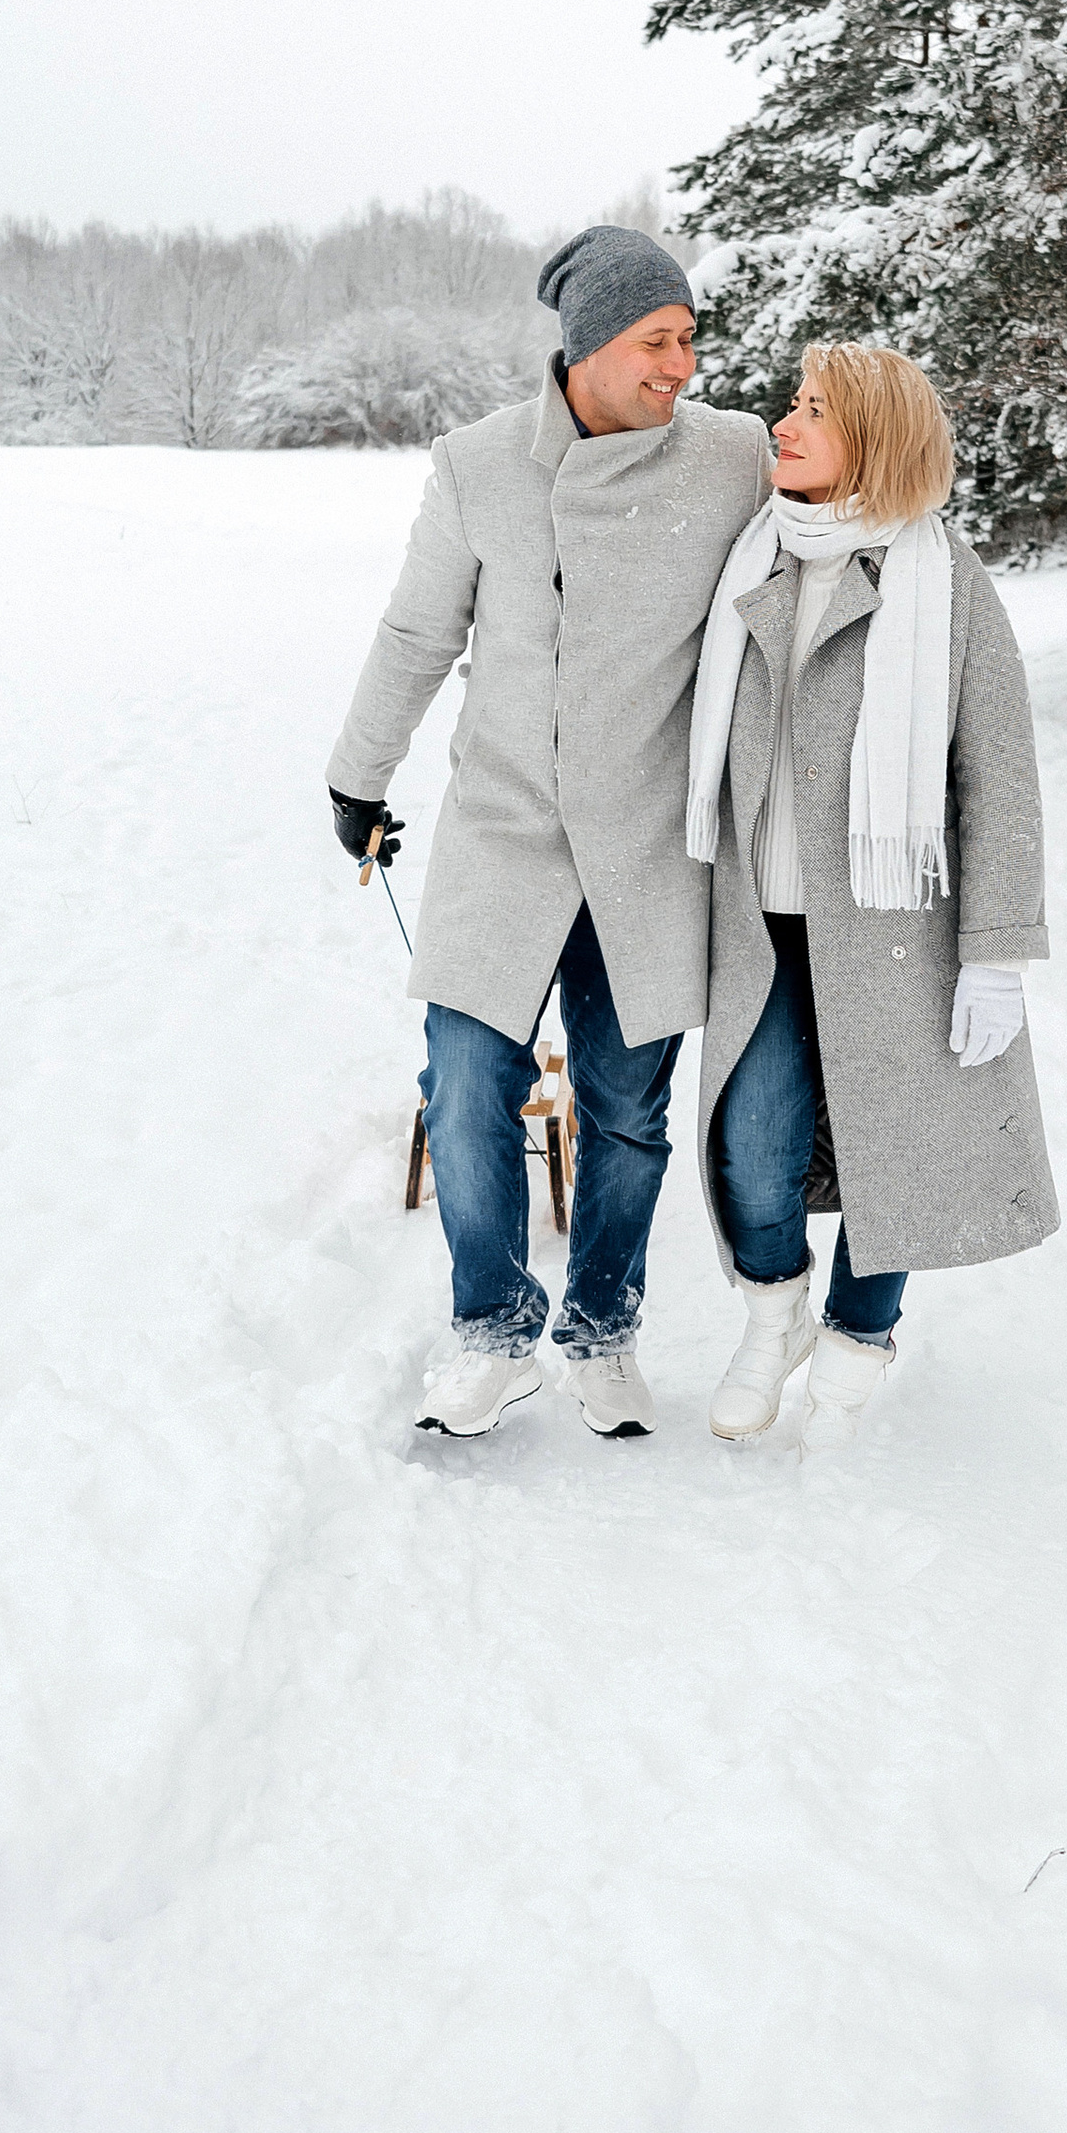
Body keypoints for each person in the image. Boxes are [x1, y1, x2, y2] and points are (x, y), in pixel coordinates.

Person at [327, 223, 769, 1439]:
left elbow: (854, 505)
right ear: (584, 346)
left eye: (690, 336)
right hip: (505, 828)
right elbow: (419, 632)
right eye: (656, 341)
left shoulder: (730, 458)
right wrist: (357, 777)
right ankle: (488, 1328)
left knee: (626, 1113)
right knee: (466, 1090)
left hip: (649, 846)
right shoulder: (478, 465)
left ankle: (603, 1329)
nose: (683, 364)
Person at [684, 342, 1056, 1452]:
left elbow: (1001, 772)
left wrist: (998, 948)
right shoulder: (749, 559)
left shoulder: (942, 585)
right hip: (760, 925)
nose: (782, 425)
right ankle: (773, 1313)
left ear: (876, 443)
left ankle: (858, 1335)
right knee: (751, 1150)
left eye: (813, 412)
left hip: (897, 934)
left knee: (901, 1151)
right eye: (790, 404)